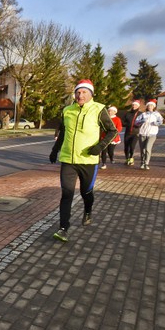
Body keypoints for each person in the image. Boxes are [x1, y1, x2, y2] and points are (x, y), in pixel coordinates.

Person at [49, 79, 117, 242]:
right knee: (67, 194)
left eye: (84, 92)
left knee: (86, 192)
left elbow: (112, 131)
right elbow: (63, 133)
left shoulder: (99, 109)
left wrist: (99, 147)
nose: (80, 95)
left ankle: (88, 210)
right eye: (78, 92)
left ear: (91, 94)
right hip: (68, 160)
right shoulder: (67, 110)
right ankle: (63, 228)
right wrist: (54, 150)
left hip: (88, 161)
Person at [134, 99, 164, 170]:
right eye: (148, 105)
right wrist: (141, 121)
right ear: (147, 107)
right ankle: (142, 162)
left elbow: (161, 122)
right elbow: (136, 122)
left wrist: (155, 123)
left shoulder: (157, 114)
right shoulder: (143, 114)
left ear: (153, 107)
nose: (150, 107)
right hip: (143, 133)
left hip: (152, 134)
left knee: (148, 148)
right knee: (142, 149)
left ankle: (146, 163)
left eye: (151, 105)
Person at [121, 99, 141, 166]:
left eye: (135, 105)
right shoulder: (128, 113)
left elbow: (142, 122)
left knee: (132, 147)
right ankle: (127, 159)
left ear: (138, 106)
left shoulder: (140, 114)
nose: (134, 106)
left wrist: (138, 125)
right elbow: (123, 122)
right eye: (133, 105)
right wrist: (127, 124)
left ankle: (131, 158)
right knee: (126, 147)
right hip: (127, 132)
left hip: (135, 133)